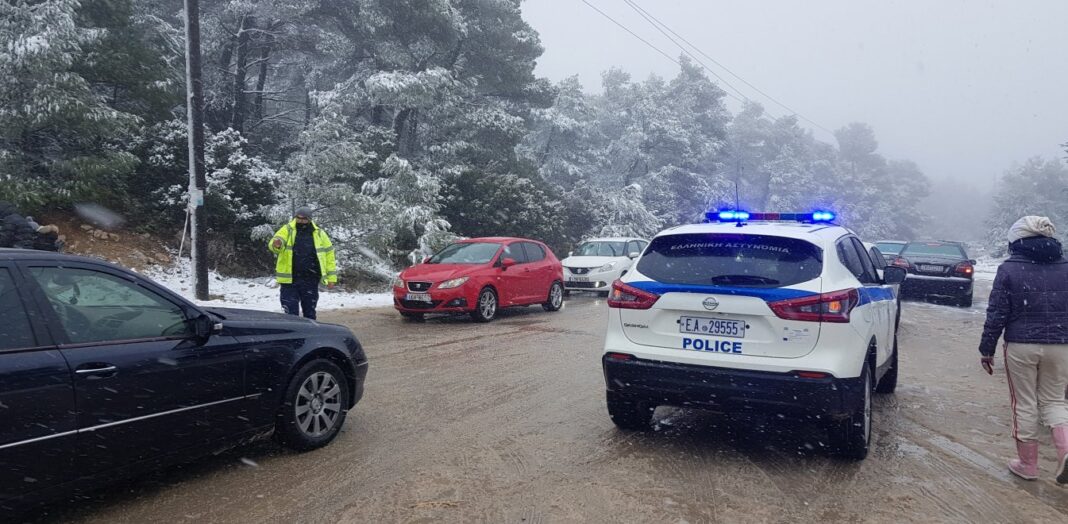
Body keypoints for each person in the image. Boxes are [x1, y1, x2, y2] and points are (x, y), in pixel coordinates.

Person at [980, 216, 1068, 485]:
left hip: (1021, 344)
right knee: (1055, 401)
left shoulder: (1009, 269)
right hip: (1061, 345)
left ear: (1017, 240)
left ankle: (1028, 465)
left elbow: (997, 312)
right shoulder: (1066, 267)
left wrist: (987, 348)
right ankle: (1066, 451)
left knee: (1025, 403)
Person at [267, 207, 337, 319]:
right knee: (290, 313)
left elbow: (329, 256)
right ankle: (292, 335)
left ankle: (310, 333)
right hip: (289, 280)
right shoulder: (287, 229)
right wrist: (277, 244)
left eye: (304, 219)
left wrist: (331, 278)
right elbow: (276, 242)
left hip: (310, 279)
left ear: (310, 219)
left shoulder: (319, 233)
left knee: (309, 312)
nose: (300, 221)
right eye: (298, 218)